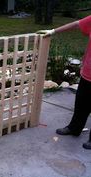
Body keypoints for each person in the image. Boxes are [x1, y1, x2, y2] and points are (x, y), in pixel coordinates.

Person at [37, 15, 91, 149]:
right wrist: (53, 31)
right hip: (88, 73)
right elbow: (77, 24)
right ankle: (74, 128)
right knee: (81, 104)